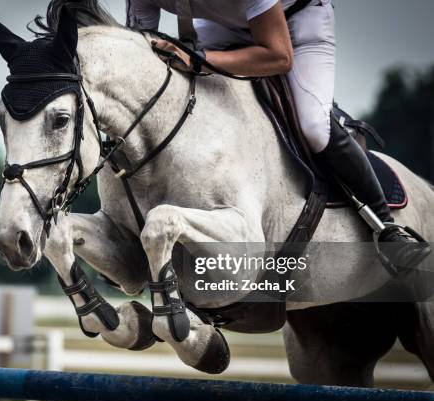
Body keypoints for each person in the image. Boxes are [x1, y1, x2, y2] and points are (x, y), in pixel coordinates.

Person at [126, 0, 430, 271]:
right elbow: (139, 52)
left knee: (313, 127)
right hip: (223, 27)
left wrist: (199, 59)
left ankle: (387, 228)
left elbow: (279, 56)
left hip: (296, 25)